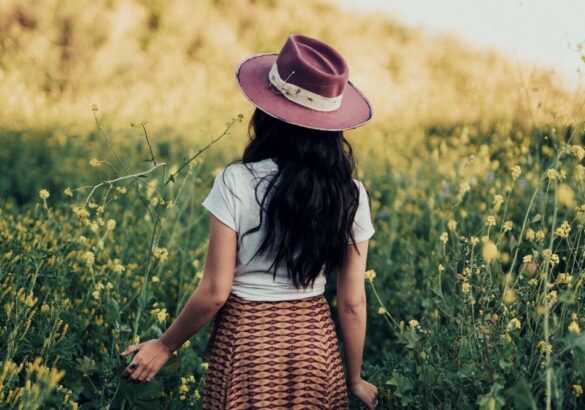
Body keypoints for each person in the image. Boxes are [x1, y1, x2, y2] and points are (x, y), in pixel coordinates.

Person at [120, 33, 379, 409]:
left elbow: (214, 292)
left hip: (246, 345)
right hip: (315, 348)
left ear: (268, 113)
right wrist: (353, 378)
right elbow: (352, 301)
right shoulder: (351, 194)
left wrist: (164, 345)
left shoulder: (237, 182)